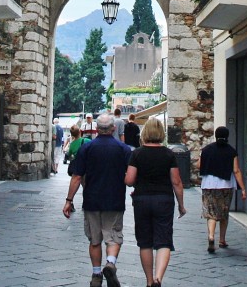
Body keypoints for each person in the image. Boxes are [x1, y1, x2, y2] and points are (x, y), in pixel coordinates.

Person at [63, 112, 132, 287]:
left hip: (92, 200)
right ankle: (110, 263)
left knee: (94, 240)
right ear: (113, 128)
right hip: (114, 199)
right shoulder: (123, 149)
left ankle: (96, 274)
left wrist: (69, 200)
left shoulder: (87, 148)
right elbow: (131, 176)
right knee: (114, 237)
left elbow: (77, 176)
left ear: (96, 129)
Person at [125, 117, 186, 287]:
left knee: (145, 242)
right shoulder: (169, 154)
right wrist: (181, 205)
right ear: (161, 133)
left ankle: (149, 280)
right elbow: (176, 182)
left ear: (144, 133)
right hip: (164, 200)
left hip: (142, 199)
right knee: (164, 241)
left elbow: (129, 180)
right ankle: (158, 278)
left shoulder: (136, 154)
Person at [197, 126, 246, 253]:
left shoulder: (206, 149)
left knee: (211, 213)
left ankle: (211, 236)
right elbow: (236, 170)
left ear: (215, 135)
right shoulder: (231, 151)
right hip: (226, 185)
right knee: (224, 213)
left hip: (208, 184)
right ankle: (222, 240)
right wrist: (243, 189)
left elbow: (198, 165)